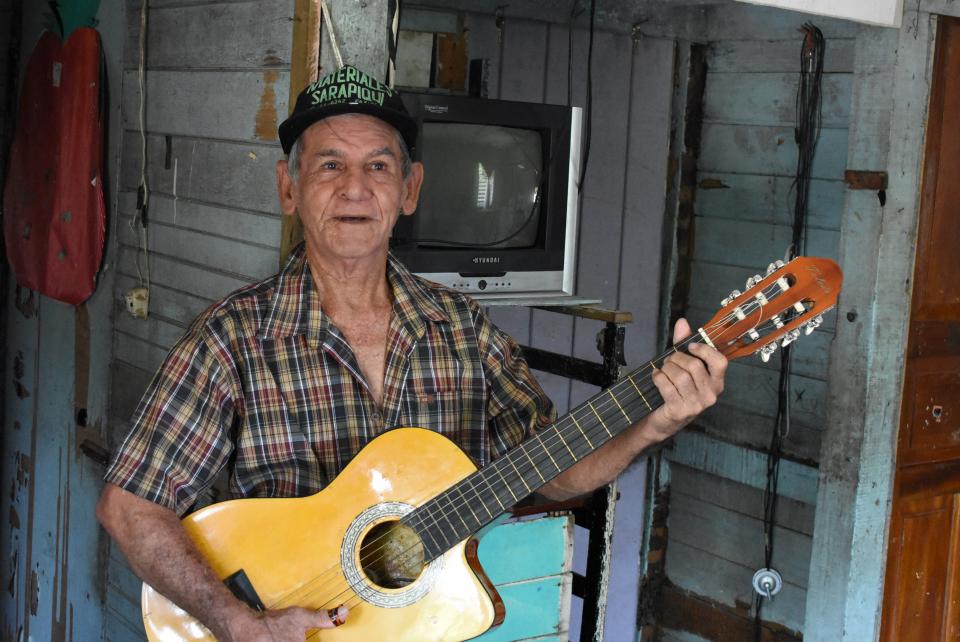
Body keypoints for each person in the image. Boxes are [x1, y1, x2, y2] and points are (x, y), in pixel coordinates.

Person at [96, 65, 727, 642]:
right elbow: (130, 507)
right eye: (328, 166)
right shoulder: (231, 337)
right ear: (288, 189)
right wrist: (236, 620)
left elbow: (553, 471)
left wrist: (654, 422)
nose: (354, 189)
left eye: (378, 167)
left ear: (410, 189)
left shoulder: (463, 330)